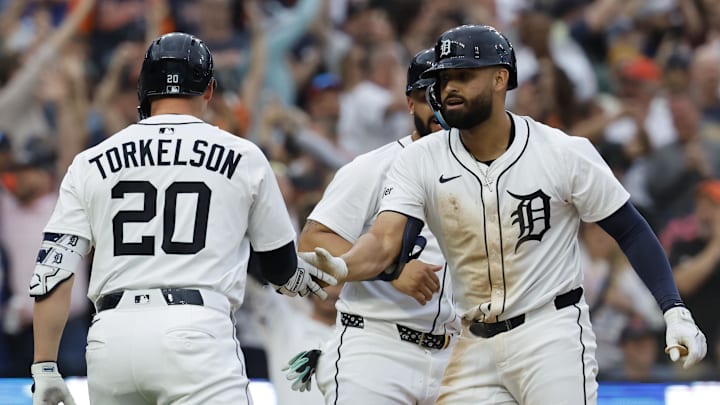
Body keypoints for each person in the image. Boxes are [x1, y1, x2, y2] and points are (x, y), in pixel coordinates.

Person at [300, 25, 707, 404]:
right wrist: (342, 264)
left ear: (500, 79)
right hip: (472, 342)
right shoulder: (418, 160)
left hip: (549, 333)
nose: (449, 88)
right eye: (443, 80)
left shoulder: (561, 152)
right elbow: (385, 240)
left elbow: (631, 230)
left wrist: (673, 309)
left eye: (463, 76)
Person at [29, 32, 337, 405]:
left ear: (144, 88)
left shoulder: (90, 161)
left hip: (111, 339)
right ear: (208, 90)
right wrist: (307, 277)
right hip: (195, 332)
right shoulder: (243, 156)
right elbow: (280, 270)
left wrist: (45, 365)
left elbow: (53, 269)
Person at [285, 48, 458, 405]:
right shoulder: (372, 167)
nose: (440, 109)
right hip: (379, 348)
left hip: (456, 357)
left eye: (449, 97)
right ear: (410, 103)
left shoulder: (488, 175)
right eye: (429, 97)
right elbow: (313, 241)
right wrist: (391, 271)